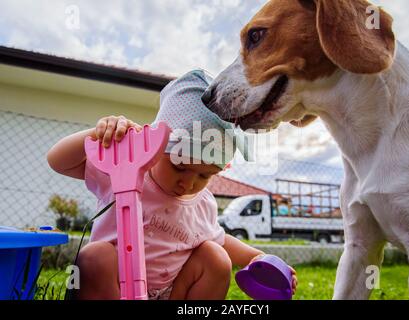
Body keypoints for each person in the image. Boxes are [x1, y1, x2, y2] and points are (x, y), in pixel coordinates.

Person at [47, 70, 297, 300]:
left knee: (215, 258)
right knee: (96, 257)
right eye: (179, 167)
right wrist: (96, 135)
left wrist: (256, 257)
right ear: (155, 148)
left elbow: (220, 241)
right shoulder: (126, 169)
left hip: (170, 292)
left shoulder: (203, 204)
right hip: (115, 287)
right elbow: (57, 161)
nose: (187, 183)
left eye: (204, 176)